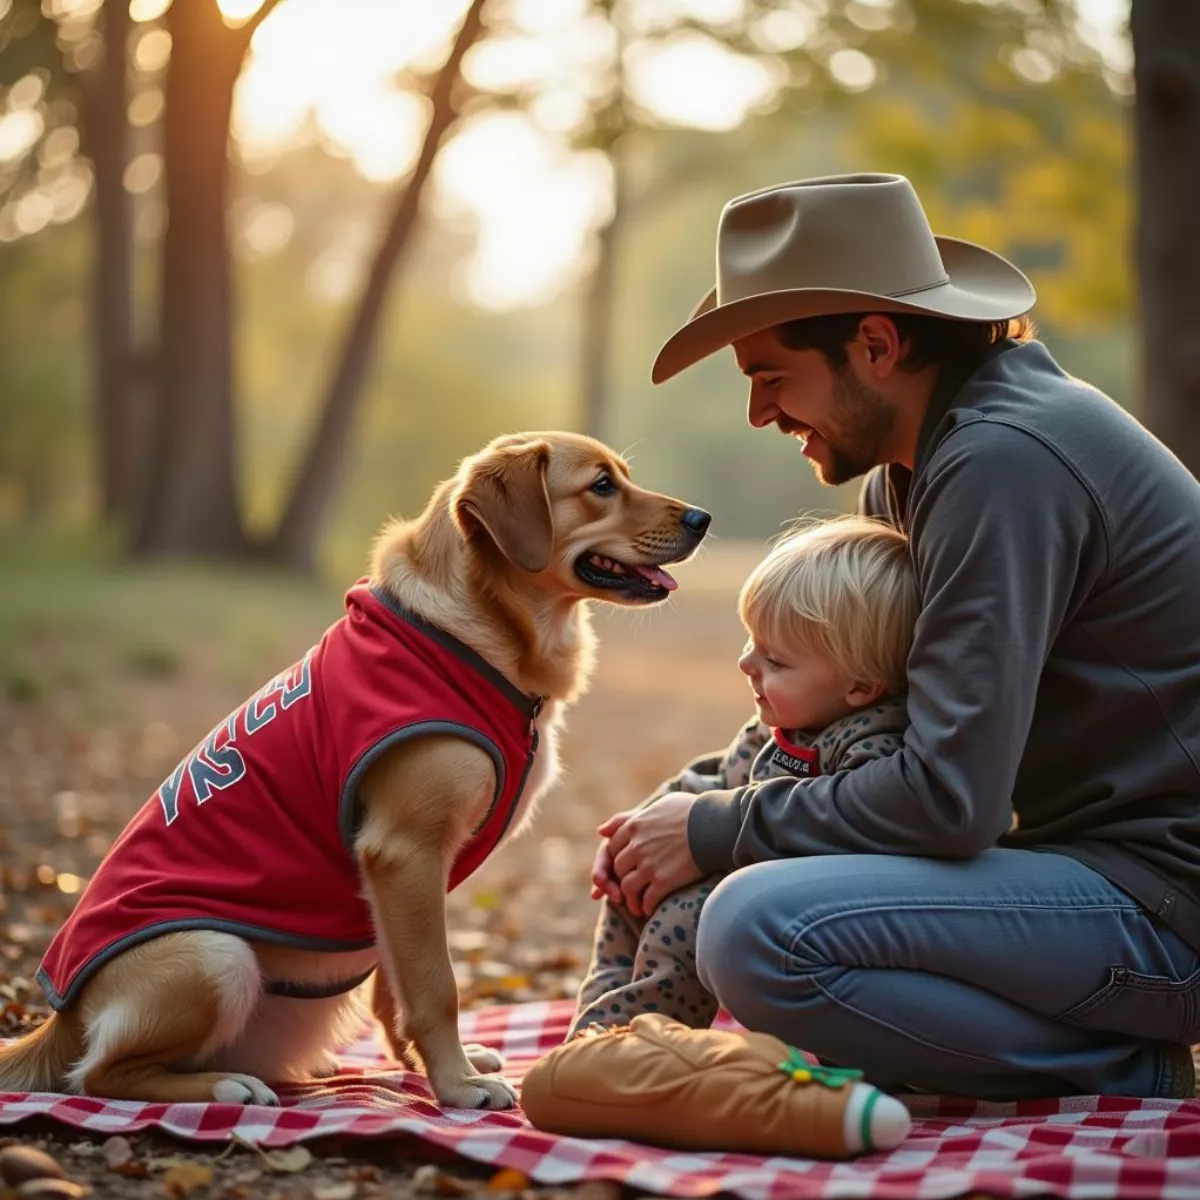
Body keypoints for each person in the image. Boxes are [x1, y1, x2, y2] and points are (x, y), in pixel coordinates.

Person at [591, 173, 1200, 1100]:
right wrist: (685, 812)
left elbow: (950, 800)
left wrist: (720, 830)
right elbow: (862, 733)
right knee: (747, 905)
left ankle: (1119, 1065)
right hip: (1072, 871)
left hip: (1164, 903)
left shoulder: (1005, 463)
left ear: (875, 344)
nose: (761, 413)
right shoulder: (920, 468)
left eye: (770, 377)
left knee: (756, 927)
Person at [573, 517, 915, 1035]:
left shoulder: (869, 745)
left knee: (684, 915)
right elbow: (720, 776)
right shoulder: (785, 719)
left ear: (861, 688)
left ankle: (650, 1040)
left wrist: (709, 850)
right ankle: (600, 1027)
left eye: (774, 659)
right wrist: (640, 830)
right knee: (633, 883)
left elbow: (846, 833)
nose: (745, 663)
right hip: (733, 857)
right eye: (752, 641)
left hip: (787, 892)